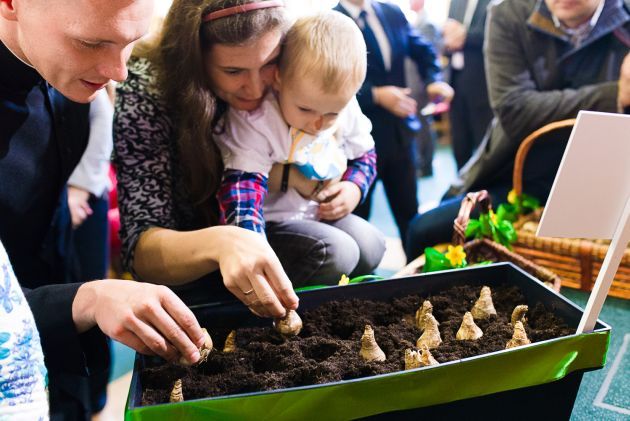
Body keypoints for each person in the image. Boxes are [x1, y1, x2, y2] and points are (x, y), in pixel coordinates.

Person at [0, 0, 225, 418]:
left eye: (130, 42)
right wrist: (83, 301)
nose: (118, 72)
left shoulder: (67, 79)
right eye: (91, 42)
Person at [114, 0, 367, 306]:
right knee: (336, 250)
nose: (258, 88)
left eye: (270, 63)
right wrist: (230, 240)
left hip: (286, 219)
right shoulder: (147, 90)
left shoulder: (295, 69)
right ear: (194, 59)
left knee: (366, 243)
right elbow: (140, 248)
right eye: (233, 71)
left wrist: (346, 182)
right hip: (197, 266)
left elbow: (355, 147)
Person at [406, 0, 630, 260]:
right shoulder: (508, 13)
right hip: (520, 175)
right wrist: (614, 94)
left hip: (608, 181)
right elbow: (515, 112)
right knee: (424, 230)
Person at [214, 11, 385, 285]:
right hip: (273, 224)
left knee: (372, 242)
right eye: (305, 108)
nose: (318, 123)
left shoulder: (344, 105)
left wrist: (354, 187)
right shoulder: (258, 120)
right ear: (279, 79)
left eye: (332, 114)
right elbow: (242, 190)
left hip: (316, 214)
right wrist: (252, 252)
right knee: (339, 251)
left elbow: (365, 156)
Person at [333, 0, 454, 254]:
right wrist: (375, 95)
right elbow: (327, 81)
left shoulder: (391, 12)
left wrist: (433, 80)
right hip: (356, 145)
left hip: (400, 136)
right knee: (356, 221)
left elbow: (422, 50)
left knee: (409, 214)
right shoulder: (333, 21)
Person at [443, 0, 494, 170]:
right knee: (460, 142)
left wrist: (466, 35)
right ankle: (463, 188)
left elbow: (494, 34)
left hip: (482, 82)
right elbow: (447, 32)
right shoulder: (457, 2)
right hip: (456, 81)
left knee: (484, 141)